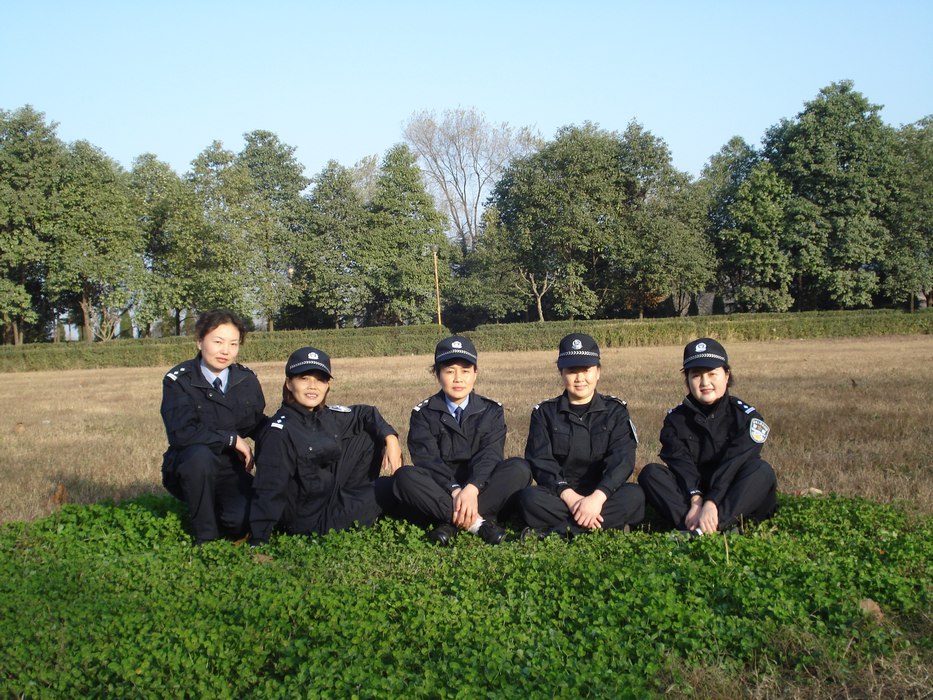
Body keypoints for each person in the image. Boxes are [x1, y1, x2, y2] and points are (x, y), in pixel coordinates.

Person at [249, 346, 402, 545]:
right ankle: (363, 509)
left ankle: (358, 501)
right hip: (310, 521)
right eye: (304, 378)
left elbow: (364, 413)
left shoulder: (322, 416)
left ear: (327, 385)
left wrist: (391, 439)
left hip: (330, 497)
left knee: (369, 435)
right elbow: (268, 488)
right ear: (288, 383)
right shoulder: (279, 431)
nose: (312, 386)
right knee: (391, 486)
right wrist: (259, 539)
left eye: (320, 379)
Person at [393, 336, 531, 545]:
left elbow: (490, 455)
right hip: (442, 489)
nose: (458, 379)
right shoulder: (423, 413)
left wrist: (472, 488)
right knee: (404, 477)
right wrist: (456, 489)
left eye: (465, 371)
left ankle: (449, 523)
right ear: (437, 374)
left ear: (475, 374)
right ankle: (479, 524)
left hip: (482, 487)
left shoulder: (491, 410)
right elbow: (428, 461)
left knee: (519, 468)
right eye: (450, 371)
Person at [638, 338, 777, 535]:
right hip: (693, 496)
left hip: (732, 493)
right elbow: (681, 464)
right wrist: (696, 499)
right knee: (651, 473)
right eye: (696, 375)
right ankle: (698, 526)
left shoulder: (747, 418)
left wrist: (712, 501)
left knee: (761, 470)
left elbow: (733, 464)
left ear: (726, 375)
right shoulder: (675, 419)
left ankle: (712, 528)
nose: (705, 382)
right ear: (687, 380)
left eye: (712, 374)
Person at [517, 333, 644, 537]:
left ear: (598, 372)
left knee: (635, 495)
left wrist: (597, 498)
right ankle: (606, 524)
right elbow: (541, 461)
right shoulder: (544, 413)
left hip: (603, 494)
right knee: (529, 498)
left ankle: (558, 532)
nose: (579, 378)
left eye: (586, 370)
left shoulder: (616, 411)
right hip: (562, 495)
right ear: (561, 373)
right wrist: (572, 498)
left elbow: (622, 460)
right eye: (572, 371)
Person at [160, 309, 266, 544]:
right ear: (200, 341)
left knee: (242, 521)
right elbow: (181, 433)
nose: (225, 351)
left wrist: (285, 431)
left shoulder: (246, 380)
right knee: (200, 456)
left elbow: (256, 422)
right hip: (189, 464)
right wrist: (231, 439)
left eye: (233, 344)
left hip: (230, 468)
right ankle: (205, 537)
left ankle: (214, 509)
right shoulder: (179, 381)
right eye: (218, 342)